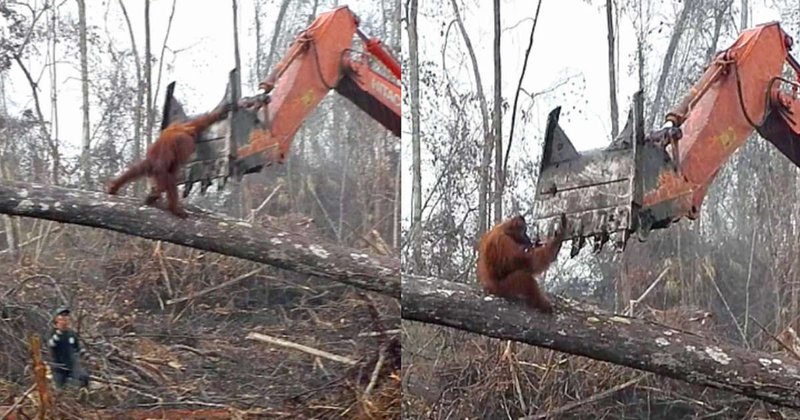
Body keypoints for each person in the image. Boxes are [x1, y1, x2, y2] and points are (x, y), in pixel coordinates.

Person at [47, 307, 89, 390]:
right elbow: (51, 345)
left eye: (66, 318)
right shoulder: (53, 333)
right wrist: (59, 333)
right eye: (61, 318)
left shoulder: (71, 334)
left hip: (71, 365)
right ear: (56, 320)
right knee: (59, 388)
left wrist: (84, 354)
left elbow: (77, 348)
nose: (64, 320)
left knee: (84, 377)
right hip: (58, 367)